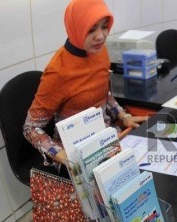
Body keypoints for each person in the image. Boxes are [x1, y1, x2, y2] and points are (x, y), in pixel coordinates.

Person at [23, 0, 147, 166]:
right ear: (76, 28)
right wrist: (60, 155)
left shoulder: (100, 51)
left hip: (105, 140)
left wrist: (123, 116)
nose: (101, 36)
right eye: (91, 29)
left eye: (104, 26)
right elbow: (30, 128)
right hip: (75, 154)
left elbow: (104, 94)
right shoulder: (58, 72)